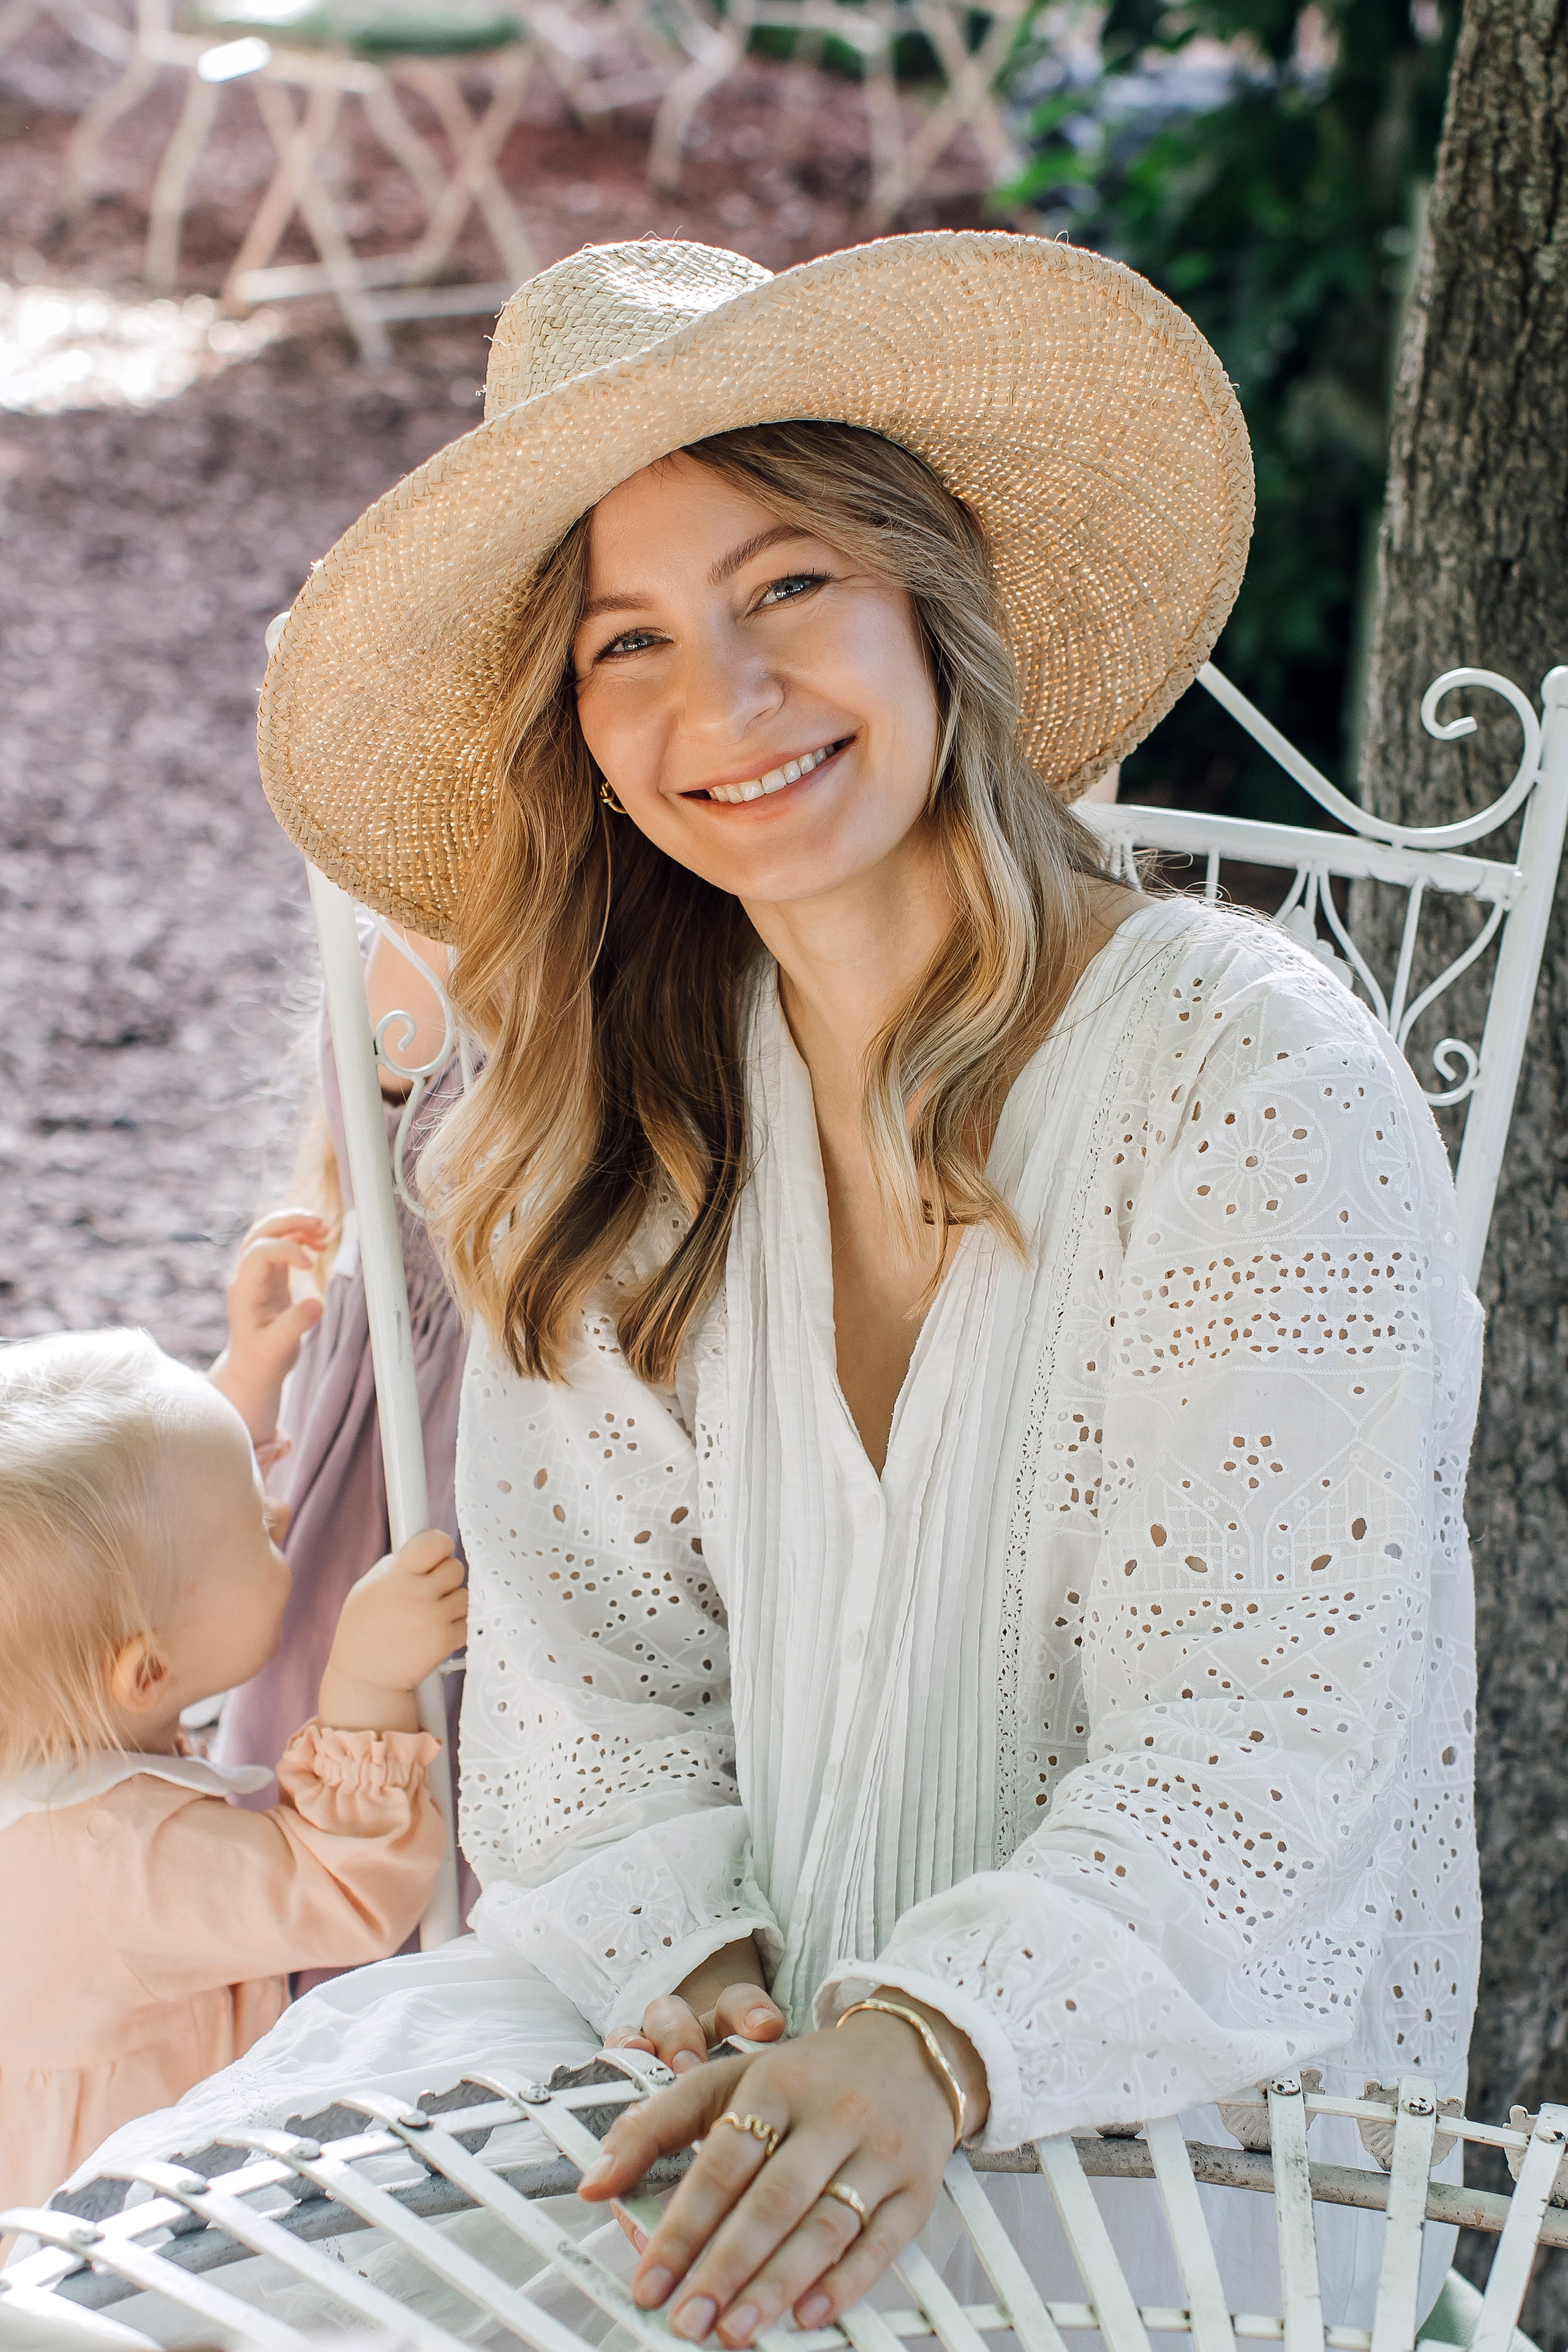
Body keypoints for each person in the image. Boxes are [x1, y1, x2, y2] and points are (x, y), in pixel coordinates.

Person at [68, 232, 1481, 2335]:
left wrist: (919, 2048)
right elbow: (588, 1676)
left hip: (1165, 2124)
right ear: (579, 731)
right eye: (626, 643)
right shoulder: (630, 1125)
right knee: (135, 2295)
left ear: (937, 598)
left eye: (786, 586)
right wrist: (714, 1997)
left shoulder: (1256, 1084)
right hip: (691, 2044)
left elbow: (1262, 1752)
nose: (718, 703)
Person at [0, 1327, 464, 2209]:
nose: (284, 1518)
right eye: (256, 1528)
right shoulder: (125, 1866)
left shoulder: (50, 1755)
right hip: (131, 2237)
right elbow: (341, 1891)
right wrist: (365, 1678)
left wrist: (245, 1381)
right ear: (145, 1673)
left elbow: (158, 1543)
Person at [206, 928, 478, 1951]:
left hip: (450, 1373)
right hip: (426, 1405)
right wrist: (249, 1390)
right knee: (366, 1690)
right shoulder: (423, 942)